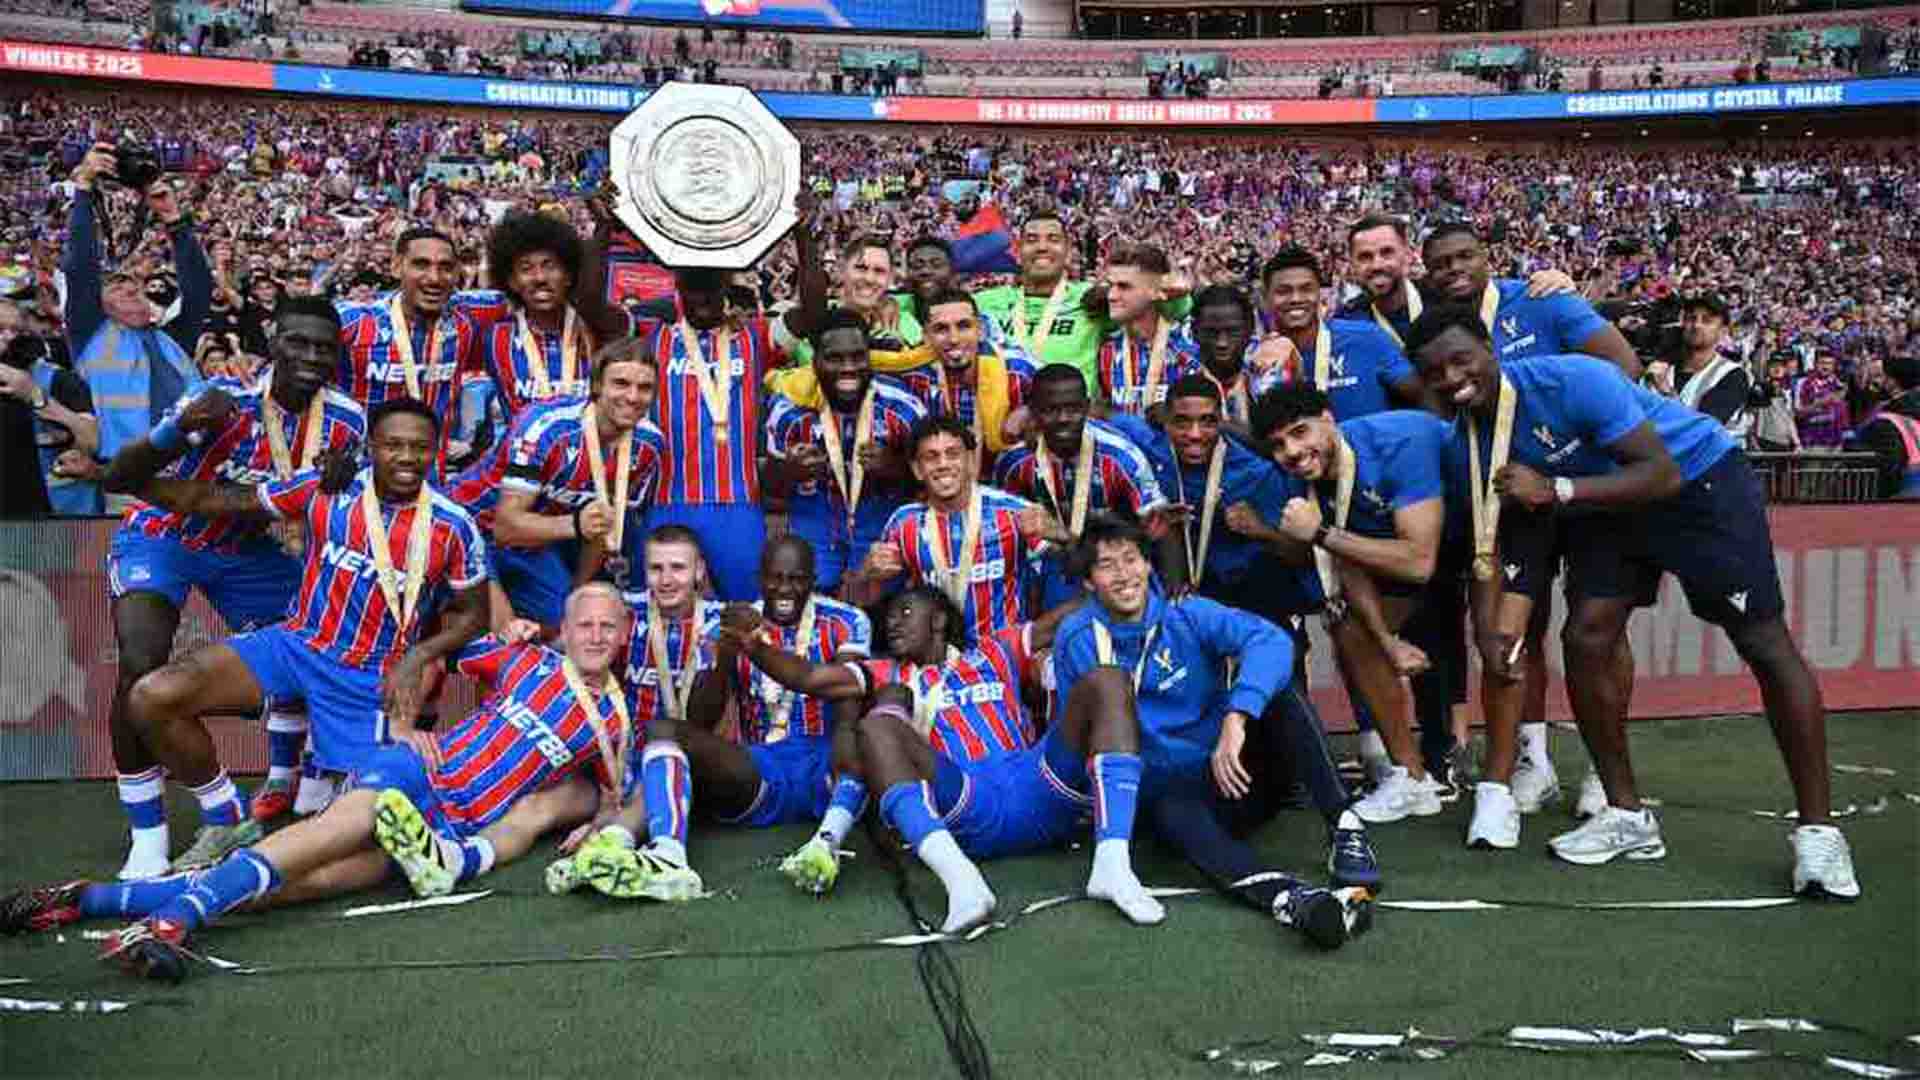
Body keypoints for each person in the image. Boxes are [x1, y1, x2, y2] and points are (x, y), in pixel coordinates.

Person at [1404, 304, 1860, 897]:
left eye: (1461, 360)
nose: (1451, 379)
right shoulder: (1466, 441)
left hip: (1697, 484)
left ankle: (1820, 834)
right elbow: (1511, 539)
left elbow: (1660, 473)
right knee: (1585, 638)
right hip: (1607, 506)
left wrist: (1556, 488)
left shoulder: (1572, 379)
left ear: (1491, 350)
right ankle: (1627, 817)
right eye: (1434, 372)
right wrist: (1499, 633)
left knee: (1763, 643)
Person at [0, 584, 630, 983]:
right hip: (417, 770)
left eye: (609, 627)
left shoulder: (615, 723)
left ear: (624, 635)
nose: (597, 636)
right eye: (586, 625)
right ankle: (173, 920)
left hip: (447, 827)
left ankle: (87, 899)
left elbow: (601, 798)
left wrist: (598, 825)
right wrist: (404, 723)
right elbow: (429, 655)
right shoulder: (526, 660)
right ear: (565, 628)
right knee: (340, 825)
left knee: (311, 883)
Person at [111, 398, 494, 879]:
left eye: (419, 447)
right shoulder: (323, 488)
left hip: (367, 674)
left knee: (371, 819)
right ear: (370, 447)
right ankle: (227, 816)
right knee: (151, 696)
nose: (406, 457)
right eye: (393, 445)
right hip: (295, 645)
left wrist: (419, 656)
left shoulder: (453, 525)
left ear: (435, 452)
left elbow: (473, 616)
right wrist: (122, 478)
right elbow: (211, 501)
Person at [96, 297, 366, 877]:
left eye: (324, 348)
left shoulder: (348, 421)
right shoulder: (223, 399)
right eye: (298, 342)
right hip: (164, 536)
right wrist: (173, 430)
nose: (311, 357)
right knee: (140, 665)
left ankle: (293, 783)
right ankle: (154, 834)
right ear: (272, 341)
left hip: (250, 551)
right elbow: (120, 476)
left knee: (312, 649)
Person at [721, 583, 1155, 931]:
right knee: (876, 727)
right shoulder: (885, 673)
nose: (893, 623)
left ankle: (1113, 867)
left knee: (1108, 681)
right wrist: (756, 647)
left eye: (906, 612)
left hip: (1037, 781)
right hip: (967, 799)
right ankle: (962, 883)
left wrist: (1113, 578)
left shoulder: (993, 651)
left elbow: (1061, 620)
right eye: (889, 618)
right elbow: (812, 677)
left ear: (940, 619)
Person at [1049, 515, 1376, 948]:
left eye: (1131, 559)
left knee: (1278, 691)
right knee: (1169, 809)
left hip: (1233, 771)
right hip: (1166, 793)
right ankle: (1289, 899)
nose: (1124, 574)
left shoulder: (1186, 613)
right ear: (1089, 582)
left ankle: (1345, 826)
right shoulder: (1078, 638)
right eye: (1107, 565)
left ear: (1148, 564)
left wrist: (1236, 718)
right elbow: (1089, 738)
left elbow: (1273, 641)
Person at [1110, 377, 1367, 867]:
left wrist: (1260, 530)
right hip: (1172, 612)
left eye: (1208, 422)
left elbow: (1301, 555)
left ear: (1222, 422)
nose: (1195, 434)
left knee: (1275, 677)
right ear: (1164, 422)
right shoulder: (1145, 459)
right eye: (1182, 422)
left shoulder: (1256, 472)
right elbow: (1102, 418)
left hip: (1241, 605)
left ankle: (1336, 815)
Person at [576, 537, 872, 895]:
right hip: (759, 771)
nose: (784, 589)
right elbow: (700, 719)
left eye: (796, 579)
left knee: (860, 733)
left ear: (813, 579)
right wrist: (725, 659)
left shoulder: (846, 620)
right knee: (666, 731)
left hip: (823, 765)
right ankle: (658, 854)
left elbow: (842, 692)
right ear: (759, 578)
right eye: (775, 578)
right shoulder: (732, 620)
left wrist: (754, 648)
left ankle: (827, 842)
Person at [629, 192, 825, 601]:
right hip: (667, 500)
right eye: (692, 287)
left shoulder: (753, 338)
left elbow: (813, 314)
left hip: (738, 505)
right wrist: (604, 229)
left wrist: (804, 235)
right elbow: (594, 309)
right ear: (678, 288)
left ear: (726, 288)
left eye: (712, 288)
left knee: (747, 610)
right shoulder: (653, 339)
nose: (702, 297)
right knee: (660, 611)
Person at [546, 525, 725, 901]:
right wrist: (526, 634)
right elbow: (567, 641)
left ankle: (649, 850)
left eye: (678, 567)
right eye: (656, 568)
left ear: (699, 571)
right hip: (627, 761)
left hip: (698, 757)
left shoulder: (722, 623)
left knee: (663, 746)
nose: (666, 579)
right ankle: (611, 847)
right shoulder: (624, 611)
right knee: (559, 796)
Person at [447, 339, 664, 627]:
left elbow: (602, 526)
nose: (633, 397)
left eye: (645, 388)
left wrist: (577, 594)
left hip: (534, 542)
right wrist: (576, 524)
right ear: (596, 386)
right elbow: (505, 528)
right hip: (470, 528)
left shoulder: (649, 445)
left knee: (570, 623)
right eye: (621, 384)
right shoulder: (547, 426)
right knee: (503, 631)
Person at [63, 144, 212, 475]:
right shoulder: (90, 333)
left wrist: (173, 219)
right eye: (116, 286)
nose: (131, 288)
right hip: (128, 474)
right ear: (98, 303)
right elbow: (80, 267)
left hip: (195, 467)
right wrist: (84, 188)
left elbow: (200, 289)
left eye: (134, 284)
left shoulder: (172, 338)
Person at [764, 310, 926, 594]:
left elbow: (928, 484)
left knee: (880, 594)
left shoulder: (902, 407)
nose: (848, 368)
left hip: (879, 512)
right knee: (809, 593)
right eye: (834, 358)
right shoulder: (788, 409)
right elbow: (769, 489)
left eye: (857, 357)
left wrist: (894, 467)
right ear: (814, 361)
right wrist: (789, 471)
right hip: (815, 515)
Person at [992, 363, 1168, 609]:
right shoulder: (1014, 461)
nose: (1063, 419)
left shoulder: (1122, 455)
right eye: (1051, 410)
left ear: (1087, 407)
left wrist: (1175, 589)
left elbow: (1159, 525)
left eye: (1073, 409)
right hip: (1055, 565)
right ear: (1033, 411)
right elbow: (1009, 529)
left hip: (1114, 558)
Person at [864, 415, 1050, 641]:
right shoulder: (903, 524)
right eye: (931, 457)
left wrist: (1060, 535)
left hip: (1002, 654)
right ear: (917, 469)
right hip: (938, 656)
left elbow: (1061, 575)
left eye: (952, 454)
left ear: (970, 461)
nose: (943, 464)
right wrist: (868, 574)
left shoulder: (1014, 513)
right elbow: (868, 600)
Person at [336, 228, 507, 471]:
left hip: (430, 477)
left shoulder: (468, 317)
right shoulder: (353, 323)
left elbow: (527, 293)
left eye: (446, 267)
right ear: (396, 267)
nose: (434, 278)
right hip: (360, 477)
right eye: (421, 265)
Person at [973, 209, 1188, 395]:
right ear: (1018, 250)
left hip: (1072, 421)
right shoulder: (983, 303)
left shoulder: (1093, 298)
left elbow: (1174, 310)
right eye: (1031, 240)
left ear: (1068, 251)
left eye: (1053, 239)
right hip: (998, 424)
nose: (1042, 247)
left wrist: (1159, 284)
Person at [1258, 245, 1418, 421]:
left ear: (1320, 293)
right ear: (1265, 298)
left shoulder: (1366, 337)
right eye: (1283, 291)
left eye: (1306, 289)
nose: (1296, 299)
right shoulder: (1257, 359)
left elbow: (1421, 395)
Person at [0, 298, 99, 516]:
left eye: (16, 330)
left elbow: (92, 439)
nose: (8, 337)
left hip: (57, 518)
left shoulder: (58, 380)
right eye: (0, 329)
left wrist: (35, 395)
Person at [1095, 244, 1199, 416]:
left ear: (1158, 292)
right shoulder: (1106, 351)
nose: (1111, 296)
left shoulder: (1188, 347)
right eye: (1110, 286)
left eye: (1124, 287)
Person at [1642, 293, 1753, 440]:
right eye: (1691, 318)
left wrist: (1666, 391)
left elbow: (1700, 431)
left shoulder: (1732, 375)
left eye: (1707, 321)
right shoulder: (1662, 368)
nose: (1696, 325)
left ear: (1723, 332)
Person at [1856, 354, 1920, 499]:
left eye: (1881, 376)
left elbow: (1888, 465)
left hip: (1899, 495)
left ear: (1892, 381)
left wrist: (1852, 448)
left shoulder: (1888, 420)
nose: (1877, 381)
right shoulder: (1908, 408)